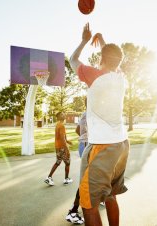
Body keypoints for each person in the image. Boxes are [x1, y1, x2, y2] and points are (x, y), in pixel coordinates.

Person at [69, 23, 129, 226]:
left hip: (102, 146)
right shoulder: (120, 77)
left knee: (88, 204)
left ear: (101, 58)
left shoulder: (94, 75)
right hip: (121, 144)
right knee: (111, 195)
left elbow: (72, 60)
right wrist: (102, 40)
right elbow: (113, 59)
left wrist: (85, 40)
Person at [65, 110, 88, 225]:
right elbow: (78, 130)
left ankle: (101, 198)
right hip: (87, 144)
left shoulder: (87, 112)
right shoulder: (89, 112)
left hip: (86, 144)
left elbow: (77, 130)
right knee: (86, 178)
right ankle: (73, 211)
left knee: (90, 177)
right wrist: (85, 137)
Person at [44, 112, 73, 186]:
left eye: (64, 114)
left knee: (58, 162)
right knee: (67, 162)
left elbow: (61, 137)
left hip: (57, 147)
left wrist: (67, 141)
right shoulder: (62, 125)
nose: (64, 115)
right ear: (59, 117)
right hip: (62, 148)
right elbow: (62, 138)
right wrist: (67, 150)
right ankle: (66, 179)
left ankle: (49, 177)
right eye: (62, 114)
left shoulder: (58, 124)